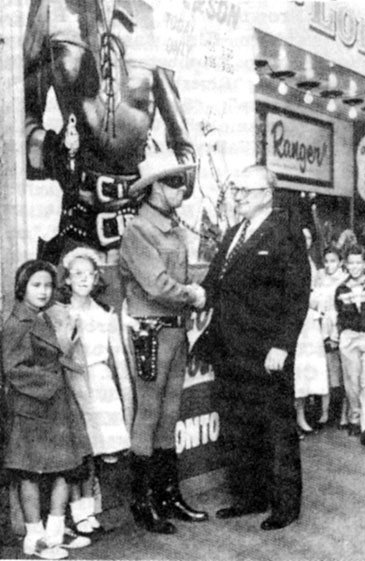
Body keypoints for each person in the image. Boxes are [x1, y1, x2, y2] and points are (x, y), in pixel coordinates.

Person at [24, 0, 196, 268]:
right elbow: (18, 119)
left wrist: (163, 177)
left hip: (141, 226)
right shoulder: (51, 7)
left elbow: (183, 145)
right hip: (78, 225)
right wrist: (59, 156)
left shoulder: (151, 17)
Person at [199, 165, 310, 531]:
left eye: (246, 190)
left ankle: (285, 505)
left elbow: (297, 296)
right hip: (230, 350)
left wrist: (282, 345)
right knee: (238, 427)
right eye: (236, 189)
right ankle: (249, 497)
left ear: (267, 193)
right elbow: (212, 284)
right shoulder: (234, 233)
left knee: (276, 428)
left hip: (267, 353)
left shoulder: (286, 233)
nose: (239, 196)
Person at [119, 148, 208, 534]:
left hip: (174, 329)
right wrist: (192, 294)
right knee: (150, 414)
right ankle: (143, 501)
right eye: (173, 182)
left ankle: (167, 494)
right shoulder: (138, 230)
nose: (180, 189)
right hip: (151, 330)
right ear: (153, 188)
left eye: (181, 181)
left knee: (170, 414)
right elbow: (156, 284)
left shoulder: (170, 228)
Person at [2, 260, 92, 559]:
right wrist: (52, 380)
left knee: (65, 467)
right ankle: (35, 537)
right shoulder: (17, 323)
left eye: (48, 285)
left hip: (55, 403)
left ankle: (54, 532)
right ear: (22, 287)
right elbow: (13, 369)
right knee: (30, 472)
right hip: (32, 407)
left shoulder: (42, 317)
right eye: (36, 285)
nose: (43, 291)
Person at [47, 247, 133, 537]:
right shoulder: (59, 313)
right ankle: (77, 513)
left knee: (96, 452)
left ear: (97, 278)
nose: (84, 279)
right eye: (77, 274)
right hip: (72, 385)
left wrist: (126, 404)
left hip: (101, 385)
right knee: (78, 453)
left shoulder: (105, 313)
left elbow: (119, 359)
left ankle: (89, 510)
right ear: (67, 280)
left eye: (90, 274)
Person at [334, 245, 365, 447]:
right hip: (349, 337)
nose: (355, 267)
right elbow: (338, 314)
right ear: (345, 264)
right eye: (351, 262)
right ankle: (354, 416)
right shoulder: (341, 288)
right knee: (352, 381)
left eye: (359, 262)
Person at [294, 228, 329, 436]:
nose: (305, 241)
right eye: (301, 237)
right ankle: (297, 416)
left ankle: (306, 414)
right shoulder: (290, 260)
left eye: (308, 238)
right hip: (297, 321)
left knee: (311, 370)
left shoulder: (310, 261)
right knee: (298, 370)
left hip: (311, 322)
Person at [313, 246, 349, 429]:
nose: (329, 265)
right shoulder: (321, 279)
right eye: (326, 261)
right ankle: (325, 412)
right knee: (326, 372)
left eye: (333, 261)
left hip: (338, 329)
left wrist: (335, 335)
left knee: (342, 374)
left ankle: (344, 414)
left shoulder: (344, 279)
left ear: (340, 262)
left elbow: (341, 311)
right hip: (322, 329)